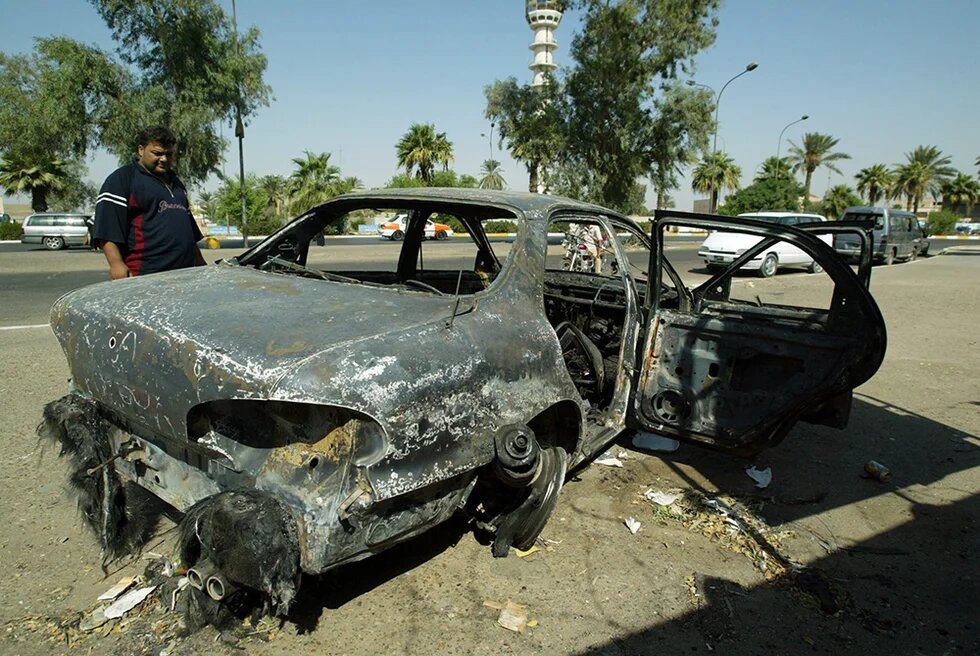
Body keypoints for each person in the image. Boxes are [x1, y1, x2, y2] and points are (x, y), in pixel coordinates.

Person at [93, 125, 206, 279]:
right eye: (157, 153)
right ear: (141, 150)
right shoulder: (123, 179)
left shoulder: (176, 184)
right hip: (146, 275)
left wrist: (200, 263)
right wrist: (116, 264)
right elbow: (106, 229)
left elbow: (188, 233)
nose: (164, 159)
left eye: (169, 154)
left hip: (184, 275)